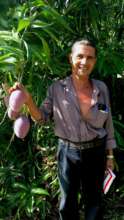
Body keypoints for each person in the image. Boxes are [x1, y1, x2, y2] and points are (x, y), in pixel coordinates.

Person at [10, 38, 116, 220]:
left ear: (95, 61)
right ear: (70, 58)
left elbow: (108, 123)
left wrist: (110, 155)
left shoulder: (101, 88)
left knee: (95, 202)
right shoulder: (57, 89)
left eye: (89, 57)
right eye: (80, 56)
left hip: (96, 151)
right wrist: (27, 99)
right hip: (68, 153)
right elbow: (42, 118)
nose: (84, 62)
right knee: (67, 203)